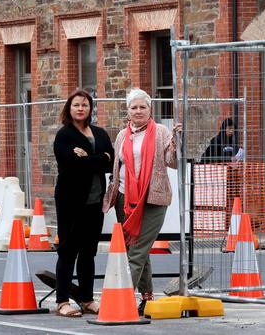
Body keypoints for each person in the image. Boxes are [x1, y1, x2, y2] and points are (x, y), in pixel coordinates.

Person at [106, 88, 181, 315]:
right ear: (127, 111)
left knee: (136, 251)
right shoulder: (122, 135)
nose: (138, 111)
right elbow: (117, 166)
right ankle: (147, 298)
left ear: (150, 109)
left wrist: (176, 143)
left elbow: (172, 162)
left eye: (142, 107)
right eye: (134, 107)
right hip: (124, 198)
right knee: (138, 249)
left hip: (153, 198)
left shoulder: (160, 131)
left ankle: (120, 298)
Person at [53, 89, 114, 318]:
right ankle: (62, 301)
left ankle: (87, 299)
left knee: (89, 253)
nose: (81, 108)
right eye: (76, 104)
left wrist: (89, 158)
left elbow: (111, 161)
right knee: (68, 251)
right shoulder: (64, 135)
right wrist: (99, 159)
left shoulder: (99, 133)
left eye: (85, 105)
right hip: (71, 201)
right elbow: (71, 164)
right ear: (69, 108)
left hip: (95, 202)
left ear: (90, 108)